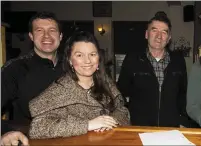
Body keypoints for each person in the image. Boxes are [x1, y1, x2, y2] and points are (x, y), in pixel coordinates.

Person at [29, 31, 130, 139]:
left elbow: (122, 110)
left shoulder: (106, 83)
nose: (87, 61)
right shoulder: (59, 90)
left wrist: (112, 120)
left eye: (92, 54)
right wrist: (87, 125)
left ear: (98, 58)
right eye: (79, 55)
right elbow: (37, 128)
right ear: (70, 60)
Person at [117, 12, 193, 127]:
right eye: (154, 30)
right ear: (146, 34)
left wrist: (183, 121)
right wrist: (126, 119)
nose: (159, 36)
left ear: (169, 38)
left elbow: (183, 94)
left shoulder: (178, 61)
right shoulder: (132, 59)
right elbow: (120, 93)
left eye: (164, 32)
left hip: (171, 128)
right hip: (140, 127)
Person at [1, 11, 63, 145]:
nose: (47, 35)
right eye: (39, 30)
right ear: (31, 36)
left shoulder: (74, 67)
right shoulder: (14, 69)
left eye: (52, 30)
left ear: (60, 36)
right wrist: (4, 131)